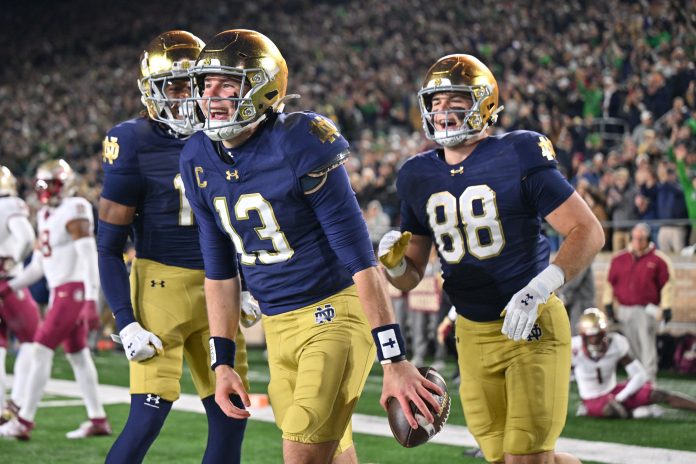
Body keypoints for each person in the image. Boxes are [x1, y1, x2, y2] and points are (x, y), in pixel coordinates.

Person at [179, 29, 441, 464]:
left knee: (301, 454)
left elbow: (359, 257)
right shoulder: (196, 158)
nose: (212, 95)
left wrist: (393, 358)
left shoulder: (300, 140)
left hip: (333, 314)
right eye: (206, 84)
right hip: (277, 325)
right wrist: (222, 361)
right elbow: (219, 269)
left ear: (263, 88)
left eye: (227, 83)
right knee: (335, 455)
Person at [378, 54, 605, 464]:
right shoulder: (416, 174)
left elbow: (587, 230)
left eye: (455, 100)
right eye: (436, 102)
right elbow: (409, 278)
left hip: (530, 323)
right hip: (471, 332)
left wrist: (540, 287)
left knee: (526, 458)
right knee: (500, 458)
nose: (442, 111)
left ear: (483, 103)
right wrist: (394, 265)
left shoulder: (517, 152)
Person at [96, 30, 254, 464]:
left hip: (218, 291)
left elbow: (240, 222)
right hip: (159, 289)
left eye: (196, 84)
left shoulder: (228, 136)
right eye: (176, 86)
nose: (189, 96)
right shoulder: (133, 142)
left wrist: (248, 283)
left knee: (232, 413)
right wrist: (126, 322)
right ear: (152, 91)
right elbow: (108, 246)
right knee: (147, 417)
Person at [0, 159, 111, 440]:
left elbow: (88, 257)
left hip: (72, 290)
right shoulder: (47, 215)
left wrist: (90, 299)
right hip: (59, 291)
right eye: (42, 185)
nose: (45, 190)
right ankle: (97, 418)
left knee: (39, 349)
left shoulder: (76, 208)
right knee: (78, 356)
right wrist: (9, 287)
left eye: (51, 184)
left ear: (66, 184)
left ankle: (23, 420)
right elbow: (37, 267)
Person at [573, 308, 696, 418]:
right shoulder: (573, 348)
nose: (594, 340)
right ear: (582, 336)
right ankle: (638, 411)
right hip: (592, 398)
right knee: (612, 411)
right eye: (590, 336)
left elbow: (640, 375)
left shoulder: (616, 343)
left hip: (614, 391)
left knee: (658, 394)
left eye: (598, 335)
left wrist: (620, 397)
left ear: (605, 332)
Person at [602, 222, 674, 381]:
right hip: (624, 309)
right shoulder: (619, 259)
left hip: (646, 310)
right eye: (635, 238)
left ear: (648, 239)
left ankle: (649, 381)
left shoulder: (658, 260)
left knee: (647, 347)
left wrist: (667, 307)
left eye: (641, 239)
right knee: (629, 348)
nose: (637, 242)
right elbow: (609, 283)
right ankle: (635, 380)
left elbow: (667, 286)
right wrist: (608, 304)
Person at [0, 166, 41, 424]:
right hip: (8, 280)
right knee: (32, 339)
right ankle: (15, 402)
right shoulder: (11, 205)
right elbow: (26, 236)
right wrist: (14, 258)